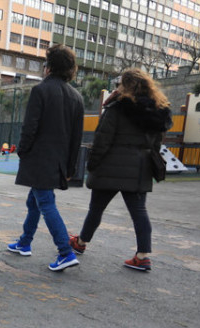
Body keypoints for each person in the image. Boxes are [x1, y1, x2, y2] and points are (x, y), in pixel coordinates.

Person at [69, 68, 173, 272]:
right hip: (140, 167)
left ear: (125, 86)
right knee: (139, 212)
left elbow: (103, 139)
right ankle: (142, 256)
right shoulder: (158, 111)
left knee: (96, 209)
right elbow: (156, 144)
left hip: (110, 165)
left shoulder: (117, 108)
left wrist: (93, 163)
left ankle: (81, 243)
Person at [7, 45, 85, 272]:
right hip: (59, 160)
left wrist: (22, 150)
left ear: (49, 67)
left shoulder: (41, 90)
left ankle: (65, 251)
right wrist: (70, 166)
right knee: (35, 201)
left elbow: (29, 127)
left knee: (46, 203)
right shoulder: (76, 97)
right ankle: (24, 242)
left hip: (39, 158)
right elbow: (75, 138)